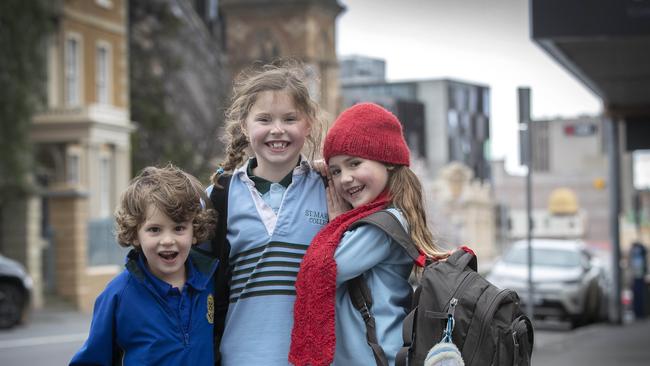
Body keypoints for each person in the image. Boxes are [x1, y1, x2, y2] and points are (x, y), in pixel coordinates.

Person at [289, 103, 450, 366]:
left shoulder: (384, 225)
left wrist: (338, 221)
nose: (345, 178)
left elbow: (328, 268)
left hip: (376, 359)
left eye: (355, 163)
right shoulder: (372, 220)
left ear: (387, 162)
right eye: (336, 170)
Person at [209, 61, 328, 365]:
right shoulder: (219, 196)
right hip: (239, 358)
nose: (277, 129)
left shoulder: (330, 190)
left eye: (290, 118)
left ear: (308, 124)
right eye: (264, 119)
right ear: (244, 127)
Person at [70, 165, 218, 365]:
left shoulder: (209, 283)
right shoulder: (119, 294)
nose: (167, 240)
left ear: (195, 231)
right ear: (135, 234)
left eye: (179, 228)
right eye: (155, 229)